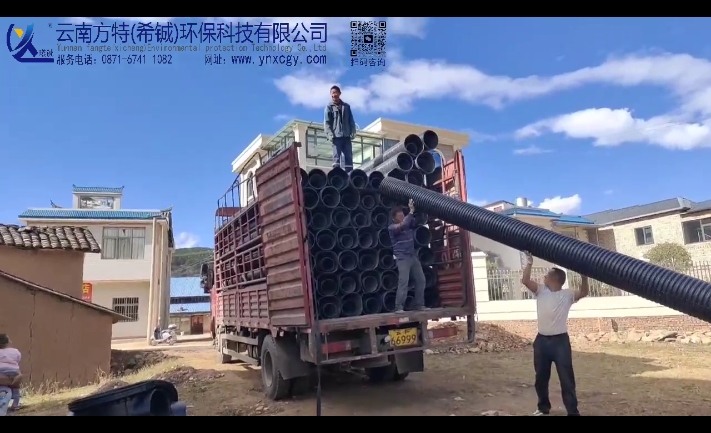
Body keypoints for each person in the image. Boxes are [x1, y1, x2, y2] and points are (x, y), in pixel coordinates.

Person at [520, 252, 589, 416]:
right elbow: (525, 281)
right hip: (542, 341)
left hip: (560, 343)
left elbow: (584, 292)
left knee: (566, 378)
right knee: (541, 378)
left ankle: (573, 412)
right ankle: (543, 408)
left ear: (555, 279)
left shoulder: (568, 295)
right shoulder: (541, 290)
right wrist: (529, 263)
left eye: (547, 275)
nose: (544, 277)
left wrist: (584, 277)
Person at [388, 200, 428, 312]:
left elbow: (416, 221)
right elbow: (404, 224)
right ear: (394, 218)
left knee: (421, 280)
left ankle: (419, 305)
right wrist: (410, 212)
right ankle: (398, 307)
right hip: (402, 258)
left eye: (403, 215)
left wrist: (419, 209)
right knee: (404, 282)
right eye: (400, 215)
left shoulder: (408, 224)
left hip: (412, 256)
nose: (402, 217)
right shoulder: (392, 228)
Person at [323, 85, 357, 173]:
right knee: (336, 158)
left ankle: (349, 174)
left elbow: (351, 120)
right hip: (336, 137)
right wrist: (329, 134)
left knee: (348, 157)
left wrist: (353, 131)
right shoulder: (329, 107)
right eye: (332, 93)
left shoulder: (346, 107)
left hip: (346, 136)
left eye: (335, 93)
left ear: (339, 93)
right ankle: (337, 175)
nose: (334, 95)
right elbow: (327, 123)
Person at [0, 334, 22, 413]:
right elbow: (18, 359)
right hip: (13, 371)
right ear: (8, 342)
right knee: (16, 387)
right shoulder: (15, 351)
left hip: (1, 371)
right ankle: (15, 404)